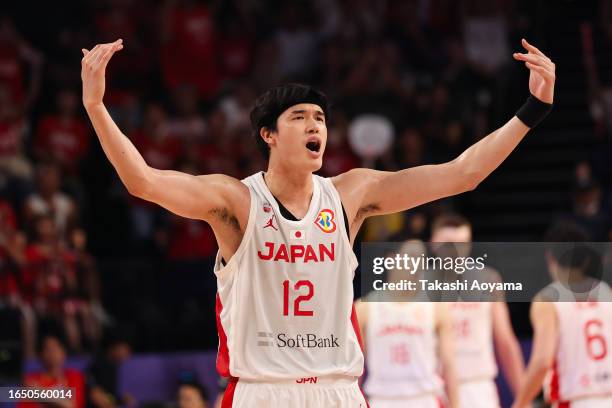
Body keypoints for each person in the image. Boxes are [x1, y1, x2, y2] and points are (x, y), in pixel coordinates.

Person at [80, 37, 555, 407]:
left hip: (337, 390)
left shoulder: (352, 193)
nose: (315, 127)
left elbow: (462, 174)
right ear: (268, 134)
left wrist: (531, 111)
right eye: (300, 117)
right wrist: (97, 108)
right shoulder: (236, 201)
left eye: (321, 119)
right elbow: (142, 181)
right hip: (264, 390)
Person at [429, 213, 525, 408]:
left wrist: (524, 398)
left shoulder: (487, 278)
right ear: (433, 243)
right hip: (433, 389)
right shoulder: (419, 283)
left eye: (462, 243)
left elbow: (505, 342)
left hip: (477, 386)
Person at [512, 223, 612, 408]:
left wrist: (520, 403)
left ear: (549, 257)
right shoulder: (607, 292)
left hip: (574, 399)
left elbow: (542, 361)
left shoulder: (548, 299)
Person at [355, 240, 459, 407]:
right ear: (391, 259)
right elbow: (354, 370)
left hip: (425, 399)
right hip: (382, 400)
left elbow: (449, 365)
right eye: (411, 257)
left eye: (422, 259)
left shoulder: (437, 307)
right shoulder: (364, 307)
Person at [18, 334, 86, 408]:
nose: (52, 353)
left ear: (64, 352)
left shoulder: (74, 376)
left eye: (56, 348)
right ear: (40, 355)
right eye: (48, 349)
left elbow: (72, 406)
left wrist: (39, 392)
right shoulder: (31, 380)